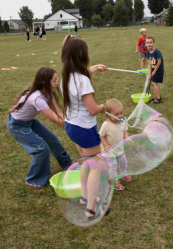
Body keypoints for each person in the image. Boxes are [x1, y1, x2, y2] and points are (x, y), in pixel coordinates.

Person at [60, 35, 110, 220]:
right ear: (82, 56)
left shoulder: (66, 77)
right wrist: (104, 107)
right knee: (96, 166)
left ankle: (84, 197)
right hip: (84, 129)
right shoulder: (83, 80)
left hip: (71, 126)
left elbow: (81, 76)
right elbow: (92, 109)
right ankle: (91, 207)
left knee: (85, 162)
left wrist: (95, 68)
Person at [7, 67, 73, 188]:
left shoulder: (48, 93)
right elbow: (54, 119)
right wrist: (73, 129)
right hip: (17, 124)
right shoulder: (37, 98)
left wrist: (68, 123)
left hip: (29, 121)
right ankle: (34, 179)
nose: (57, 83)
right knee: (41, 148)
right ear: (44, 82)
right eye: (54, 81)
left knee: (52, 139)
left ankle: (67, 164)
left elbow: (58, 113)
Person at [99, 98, 132, 191]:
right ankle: (114, 181)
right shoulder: (106, 125)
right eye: (116, 114)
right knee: (112, 167)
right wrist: (105, 145)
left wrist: (127, 137)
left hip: (119, 148)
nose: (120, 116)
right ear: (108, 114)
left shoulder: (122, 122)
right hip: (109, 151)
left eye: (121, 113)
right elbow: (101, 136)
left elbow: (125, 131)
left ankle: (123, 174)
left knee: (123, 162)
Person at [146, 37, 164, 103]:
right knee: (152, 83)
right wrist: (149, 73)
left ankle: (158, 99)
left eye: (151, 42)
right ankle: (157, 96)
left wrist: (154, 71)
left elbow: (159, 62)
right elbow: (149, 64)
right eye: (147, 43)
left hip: (158, 70)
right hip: (153, 70)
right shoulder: (148, 53)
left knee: (153, 83)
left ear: (154, 43)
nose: (149, 44)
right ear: (145, 44)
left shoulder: (157, 52)